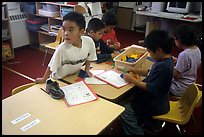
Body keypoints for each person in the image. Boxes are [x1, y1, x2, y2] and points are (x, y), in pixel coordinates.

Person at [120, 30, 174, 135]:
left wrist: (132, 80)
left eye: (149, 51)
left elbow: (150, 88)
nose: (149, 54)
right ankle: (148, 122)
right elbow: (150, 72)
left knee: (125, 111)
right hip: (159, 100)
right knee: (130, 97)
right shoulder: (166, 60)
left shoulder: (163, 66)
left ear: (158, 50)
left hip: (154, 104)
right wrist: (136, 71)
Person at [35, 12, 97, 84]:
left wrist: (87, 69)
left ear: (82, 32)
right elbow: (51, 66)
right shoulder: (61, 49)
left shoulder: (89, 42)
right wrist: (43, 79)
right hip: (59, 79)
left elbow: (90, 58)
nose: (66, 33)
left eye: (70, 30)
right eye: (64, 29)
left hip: (73, 76)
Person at [169, 24, 201, 97]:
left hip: (179, 88)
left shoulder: (184, 54)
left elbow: (177, 75)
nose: (174, 41)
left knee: (159, 80)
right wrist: (178, 61)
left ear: (179, 40)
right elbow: (196, 64)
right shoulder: (197, 49)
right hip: (190, 85)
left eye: (175, 39)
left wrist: (169, 65)